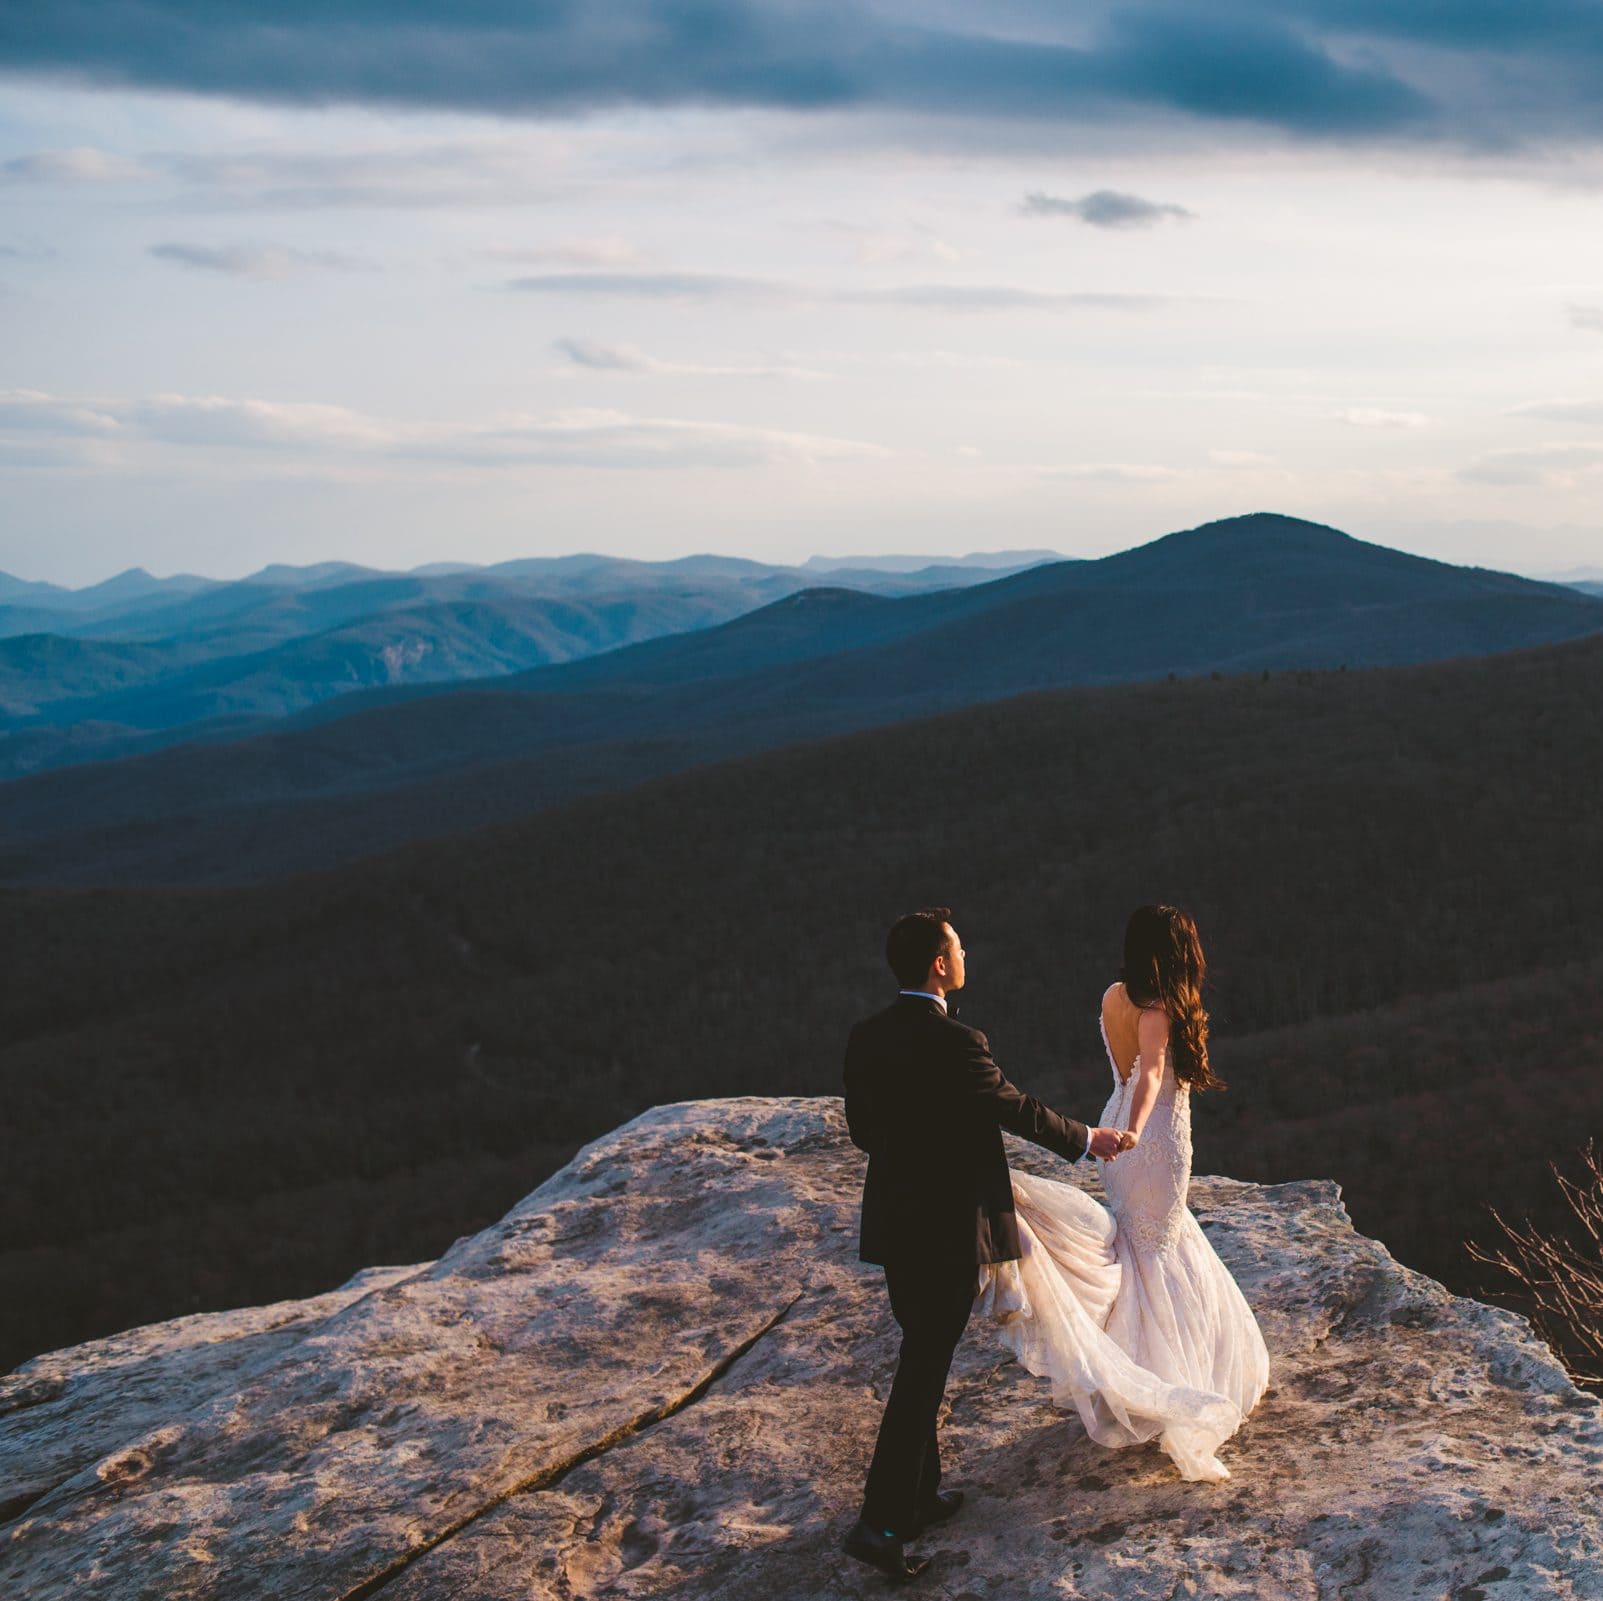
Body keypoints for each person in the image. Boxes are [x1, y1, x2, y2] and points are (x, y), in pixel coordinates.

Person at [840, 907, 1131, 1583]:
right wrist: (1088, 1138)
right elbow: (1014, 1107)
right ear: (939, 964)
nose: (966, 953)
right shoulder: (958, 1041)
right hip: (946, 1229)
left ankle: (916, 1497)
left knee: (920, 1350)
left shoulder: (866, 1037)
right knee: (920, 1373)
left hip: (895, 1224)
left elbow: (864, 1132)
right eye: (959, 946)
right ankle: (879, 1524)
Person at [977, 903, 1271, 1483]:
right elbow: (1155, 1072)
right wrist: (1137, 1130)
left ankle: (1133, 1373)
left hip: (1113, 1122)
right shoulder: (1160, 1010)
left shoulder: (1114, 996)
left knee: (1141, 1251)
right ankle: (1174, 1382)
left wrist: (1119, 1127)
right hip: (1153, 1139)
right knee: (1159, 1252)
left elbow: (1131, 1068)